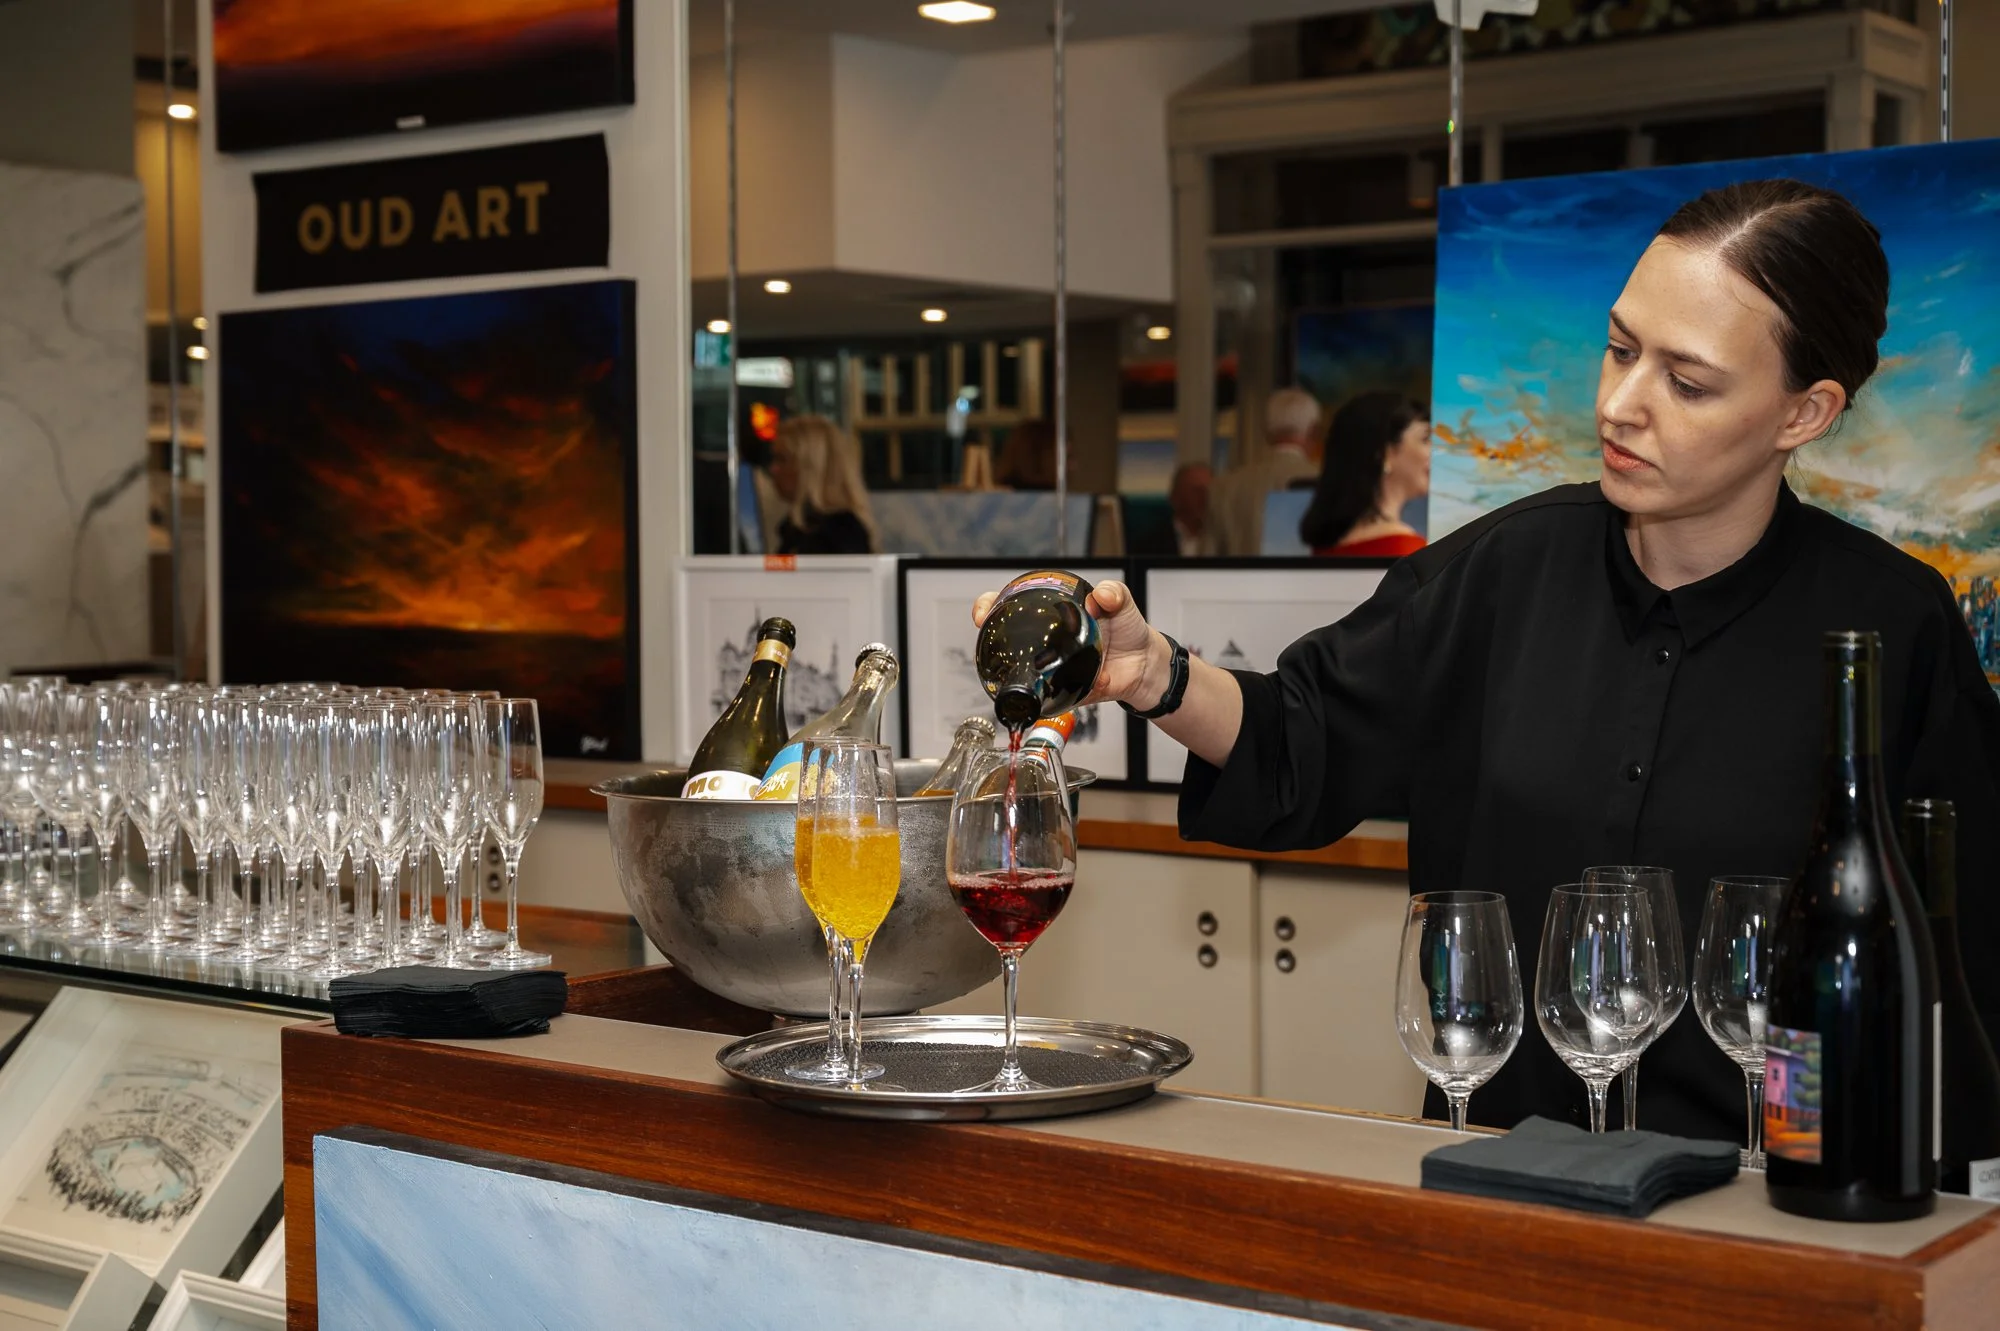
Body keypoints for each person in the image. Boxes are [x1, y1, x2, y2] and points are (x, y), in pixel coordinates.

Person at [975, 180, 2000, 1141]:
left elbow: (1965, 972)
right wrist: (1152, 671)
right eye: (1617, 348)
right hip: (1498, 1174)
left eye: (1684, 381)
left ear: (1803, 412)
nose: (1619, 403)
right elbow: (1300, 738)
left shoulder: (1889, 629)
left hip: (1769, 1211)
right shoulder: (1500, 569)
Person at [1298, 392, 1431, 558]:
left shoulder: (1326, 547)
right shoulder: (1407, 550)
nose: (1434, 452)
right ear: (1385, 453)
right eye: (1425, 440)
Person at [1206, 387, 1323, 557]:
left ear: (1266, 432)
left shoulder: (1224, 488)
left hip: (1241, 584)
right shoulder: (1328, 483)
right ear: (1314, 431)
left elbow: (1207, 561)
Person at [766, 415, 878, 555]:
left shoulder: (840, 534)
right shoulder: (797, 531)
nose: (773, 469)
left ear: (811, 466)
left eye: (782, 459)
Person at [1168, 461, 1213, 556]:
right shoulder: (1150, 544)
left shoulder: (1225, 541)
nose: (1205, 497)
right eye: (1197, 490)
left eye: (1209, 491)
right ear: (1176, 496)